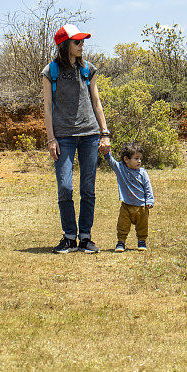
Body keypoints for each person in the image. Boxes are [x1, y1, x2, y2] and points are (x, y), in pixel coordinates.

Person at [42, 24, 111, 254]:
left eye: (82, 42)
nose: (82, 46)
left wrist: (105, 132)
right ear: (65, 45)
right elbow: (48, 108)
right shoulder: (50, 72)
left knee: (88, 189)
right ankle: (69, 237)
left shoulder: (88, 69)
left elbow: (96, 101)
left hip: (90, 135)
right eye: (77, 42)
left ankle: (85, 237)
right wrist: (51, 139)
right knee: (65, 187)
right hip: (63, 137)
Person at [102, 142, 154, 252]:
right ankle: (121, 243)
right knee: (122, 225)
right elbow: (111, 161)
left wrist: (150, 200)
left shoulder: (143, 173)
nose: (139, 161)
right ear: (126, 159)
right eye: (136, 158)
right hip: (126, 206)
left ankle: (142, 241)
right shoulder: (121, 169)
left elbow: (148, 187)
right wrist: (106, 152)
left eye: (140, 158)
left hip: (142, 207)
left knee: (142, 226)